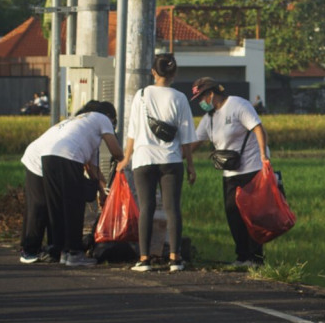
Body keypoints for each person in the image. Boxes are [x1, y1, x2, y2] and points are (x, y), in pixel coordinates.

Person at [116, 54, 198, 272]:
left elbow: (132, 131)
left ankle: (144, 259)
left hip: (143, 159)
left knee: (147, 208)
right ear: (174, 74)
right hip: (171, 159)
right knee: (172, 209)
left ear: (153, 72)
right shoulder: (179, 97)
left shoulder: (141, 95)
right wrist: (190, 165)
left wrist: (126, 157)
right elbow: (187, 136)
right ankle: (175, 259)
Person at [19, 100, 124, 266]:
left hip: (49, 156)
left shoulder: (80, 125)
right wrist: (125, 161)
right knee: (74, 205)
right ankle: (73, 252)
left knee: (57, 207)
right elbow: (116, 151)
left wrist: (103, 191)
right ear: (109, 116)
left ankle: (59, 250)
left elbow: (92, 169)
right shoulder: (102, 118)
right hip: (65, 156)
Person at [191, 77, 270, 267]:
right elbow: (196, 141)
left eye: (202, 98)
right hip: (230, 172)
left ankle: (256, 258)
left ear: (211, 94)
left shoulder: (237, 105)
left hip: (251, 167)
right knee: (232, 213)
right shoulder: (209, 117)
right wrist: (179, 155)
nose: (201, 103)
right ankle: (242, 256)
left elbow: (258, 129)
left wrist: (263, 155)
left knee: (252, 214)